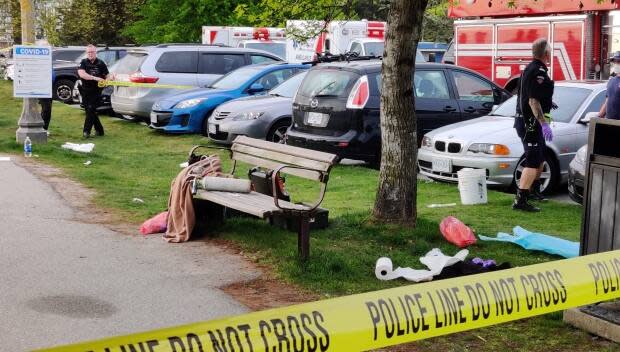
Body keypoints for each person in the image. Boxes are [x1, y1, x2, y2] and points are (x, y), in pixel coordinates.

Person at [513, 38, 554, 212]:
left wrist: (549, 103)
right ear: (546, 53)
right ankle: (520, 200)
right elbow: (532, 100)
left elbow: (531, 95)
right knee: (532, 160)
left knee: (540, 155)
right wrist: (543, 124)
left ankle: (533, 190)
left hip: (529, 121)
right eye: (550, 51)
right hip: (530, 123)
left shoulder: (531, 69)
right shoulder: (537, 72)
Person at [77, 45, 110, 138]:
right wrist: (96, 78)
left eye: (92, 52)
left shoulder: (100, 63)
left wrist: (107, 81)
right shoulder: (83, 62)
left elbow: (108, 75)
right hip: (85, 90)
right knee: (89, 110)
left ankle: (86, 131)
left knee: (91, 108)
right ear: (86, 53)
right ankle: (100, 130)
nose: (90, 54)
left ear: (96, 52)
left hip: (96, 91)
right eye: (88, 52)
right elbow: (82, 74)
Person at [598, 51, 620, 120]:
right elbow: (607, 101)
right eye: (614, 62)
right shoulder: (611, 80)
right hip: (610, 123)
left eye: (619, 62)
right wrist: (598, 117)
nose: (616, 64)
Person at [38, 69, 54, 133]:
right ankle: (43, 128)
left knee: (47, 109)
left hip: (48, 87)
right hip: (42, 87)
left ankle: (44, 128)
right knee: (46, 109)